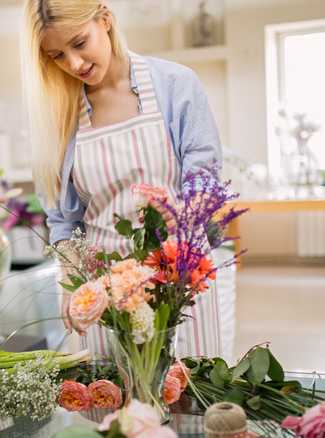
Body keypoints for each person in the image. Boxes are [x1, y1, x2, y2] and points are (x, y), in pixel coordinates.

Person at [21, 0, 222, 359]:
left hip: (178, 269)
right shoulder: (60, 113)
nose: (75, 64)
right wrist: (70, 275)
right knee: (112, 399)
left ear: (106, 18)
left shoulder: (174, 84)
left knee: (188, 390)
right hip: (102, 284)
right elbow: (63, 221)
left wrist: (182, 214)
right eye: (57, 56)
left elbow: (205, 177)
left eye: (80, 43)